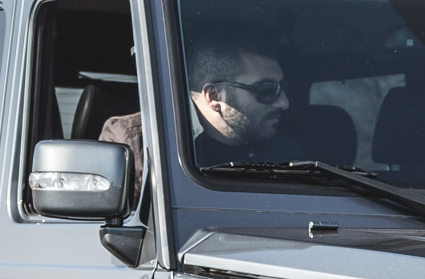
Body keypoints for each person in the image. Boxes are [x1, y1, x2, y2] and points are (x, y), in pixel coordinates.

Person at [97, 45, 290, 181]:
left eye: (283, 88)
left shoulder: (286, 149)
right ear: (214, 96)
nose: (284, 103)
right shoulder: (136, 142)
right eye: (267, 90)